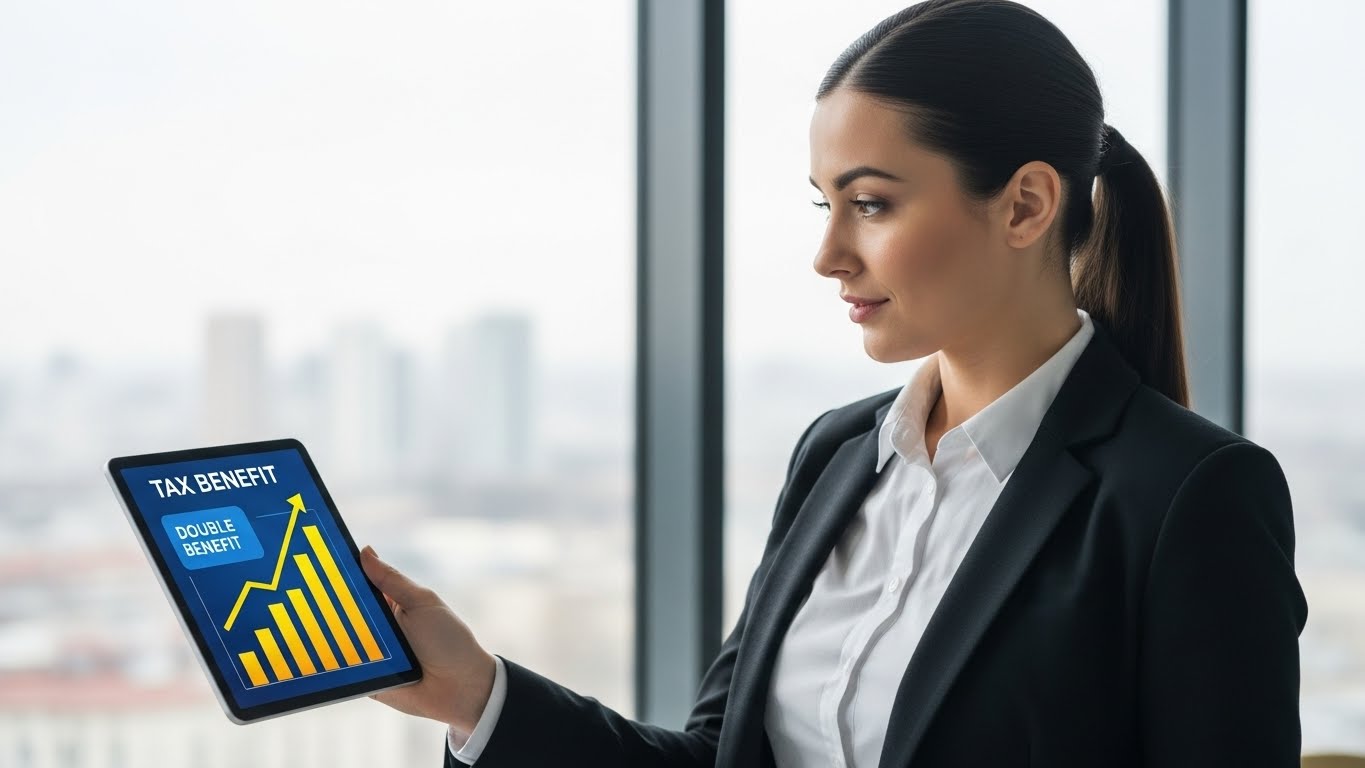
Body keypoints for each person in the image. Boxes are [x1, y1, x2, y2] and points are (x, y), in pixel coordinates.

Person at [358, 0, 1309, 765]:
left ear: (1024, 204)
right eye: (826, 205)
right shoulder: (839, 454)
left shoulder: (1191, 495)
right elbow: (720, 756)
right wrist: (476, 694)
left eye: (870, 204)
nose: (826, 254)